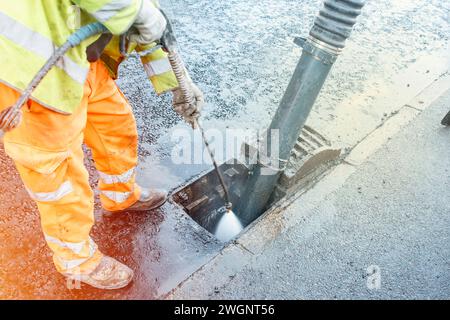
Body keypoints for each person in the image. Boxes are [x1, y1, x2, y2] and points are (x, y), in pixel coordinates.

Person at [0, 0, 203, 290]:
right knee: (59, 177)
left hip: (80, 56)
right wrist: (136, 12)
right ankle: (75, 260)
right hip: (31, 72)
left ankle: (119, 195)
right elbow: (133, 11)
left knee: (117, 128)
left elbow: (144, 24)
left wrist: (178, 84)